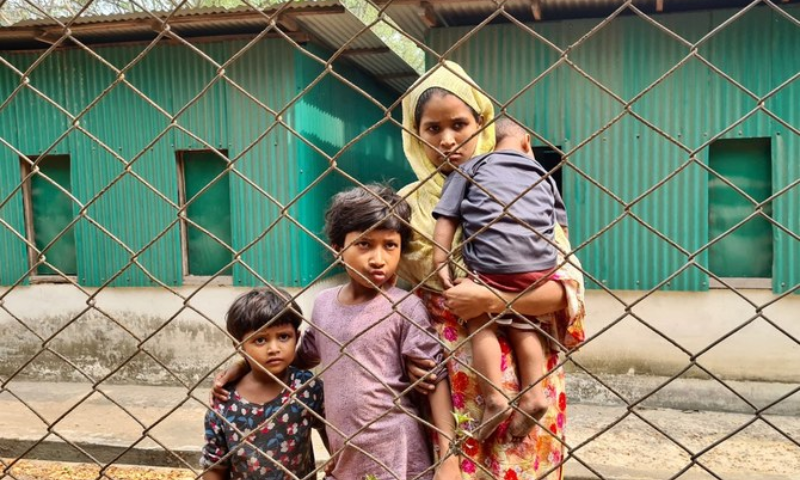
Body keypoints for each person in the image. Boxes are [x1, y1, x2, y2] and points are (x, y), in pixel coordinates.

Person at [397, 60, 586, 480]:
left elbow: (567, 288)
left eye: (459, 125)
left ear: (482, 123)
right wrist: (405, 354)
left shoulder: (523, 189)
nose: (448, 140)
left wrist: (494, 298)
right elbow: (391, 295)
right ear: (414, 134)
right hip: (445, 380)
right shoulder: (405, 205)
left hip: (528, 370)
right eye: (432, 129)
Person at [295, 184, 460, 480]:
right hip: (345, 456)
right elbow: (302, 356)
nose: (378, 258)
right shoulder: (323, 304)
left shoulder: (406, 307)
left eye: (390, 245)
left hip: (397, 452)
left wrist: (449, 456)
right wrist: (245, 364)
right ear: (338, 249)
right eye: (364, 244)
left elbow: (435, 380)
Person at [432, 117, 565, 441]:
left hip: (489, 267)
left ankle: (494, 396)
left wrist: (440, 259)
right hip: (539, 267)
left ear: (488, 142)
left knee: (479, 319)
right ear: (527, 142)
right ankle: (534, 395)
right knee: (526, 324)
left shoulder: (471, 166)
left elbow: (447, 218)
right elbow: (560, 227)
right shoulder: (544, 176)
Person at [201, 288, 325, 480]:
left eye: (283, 337)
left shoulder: (306, 387)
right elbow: (215, 467)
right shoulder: (224, 401)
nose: (273, 349)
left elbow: (332, 433)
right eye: (260, 340)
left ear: (297, 337)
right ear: (239, 346)